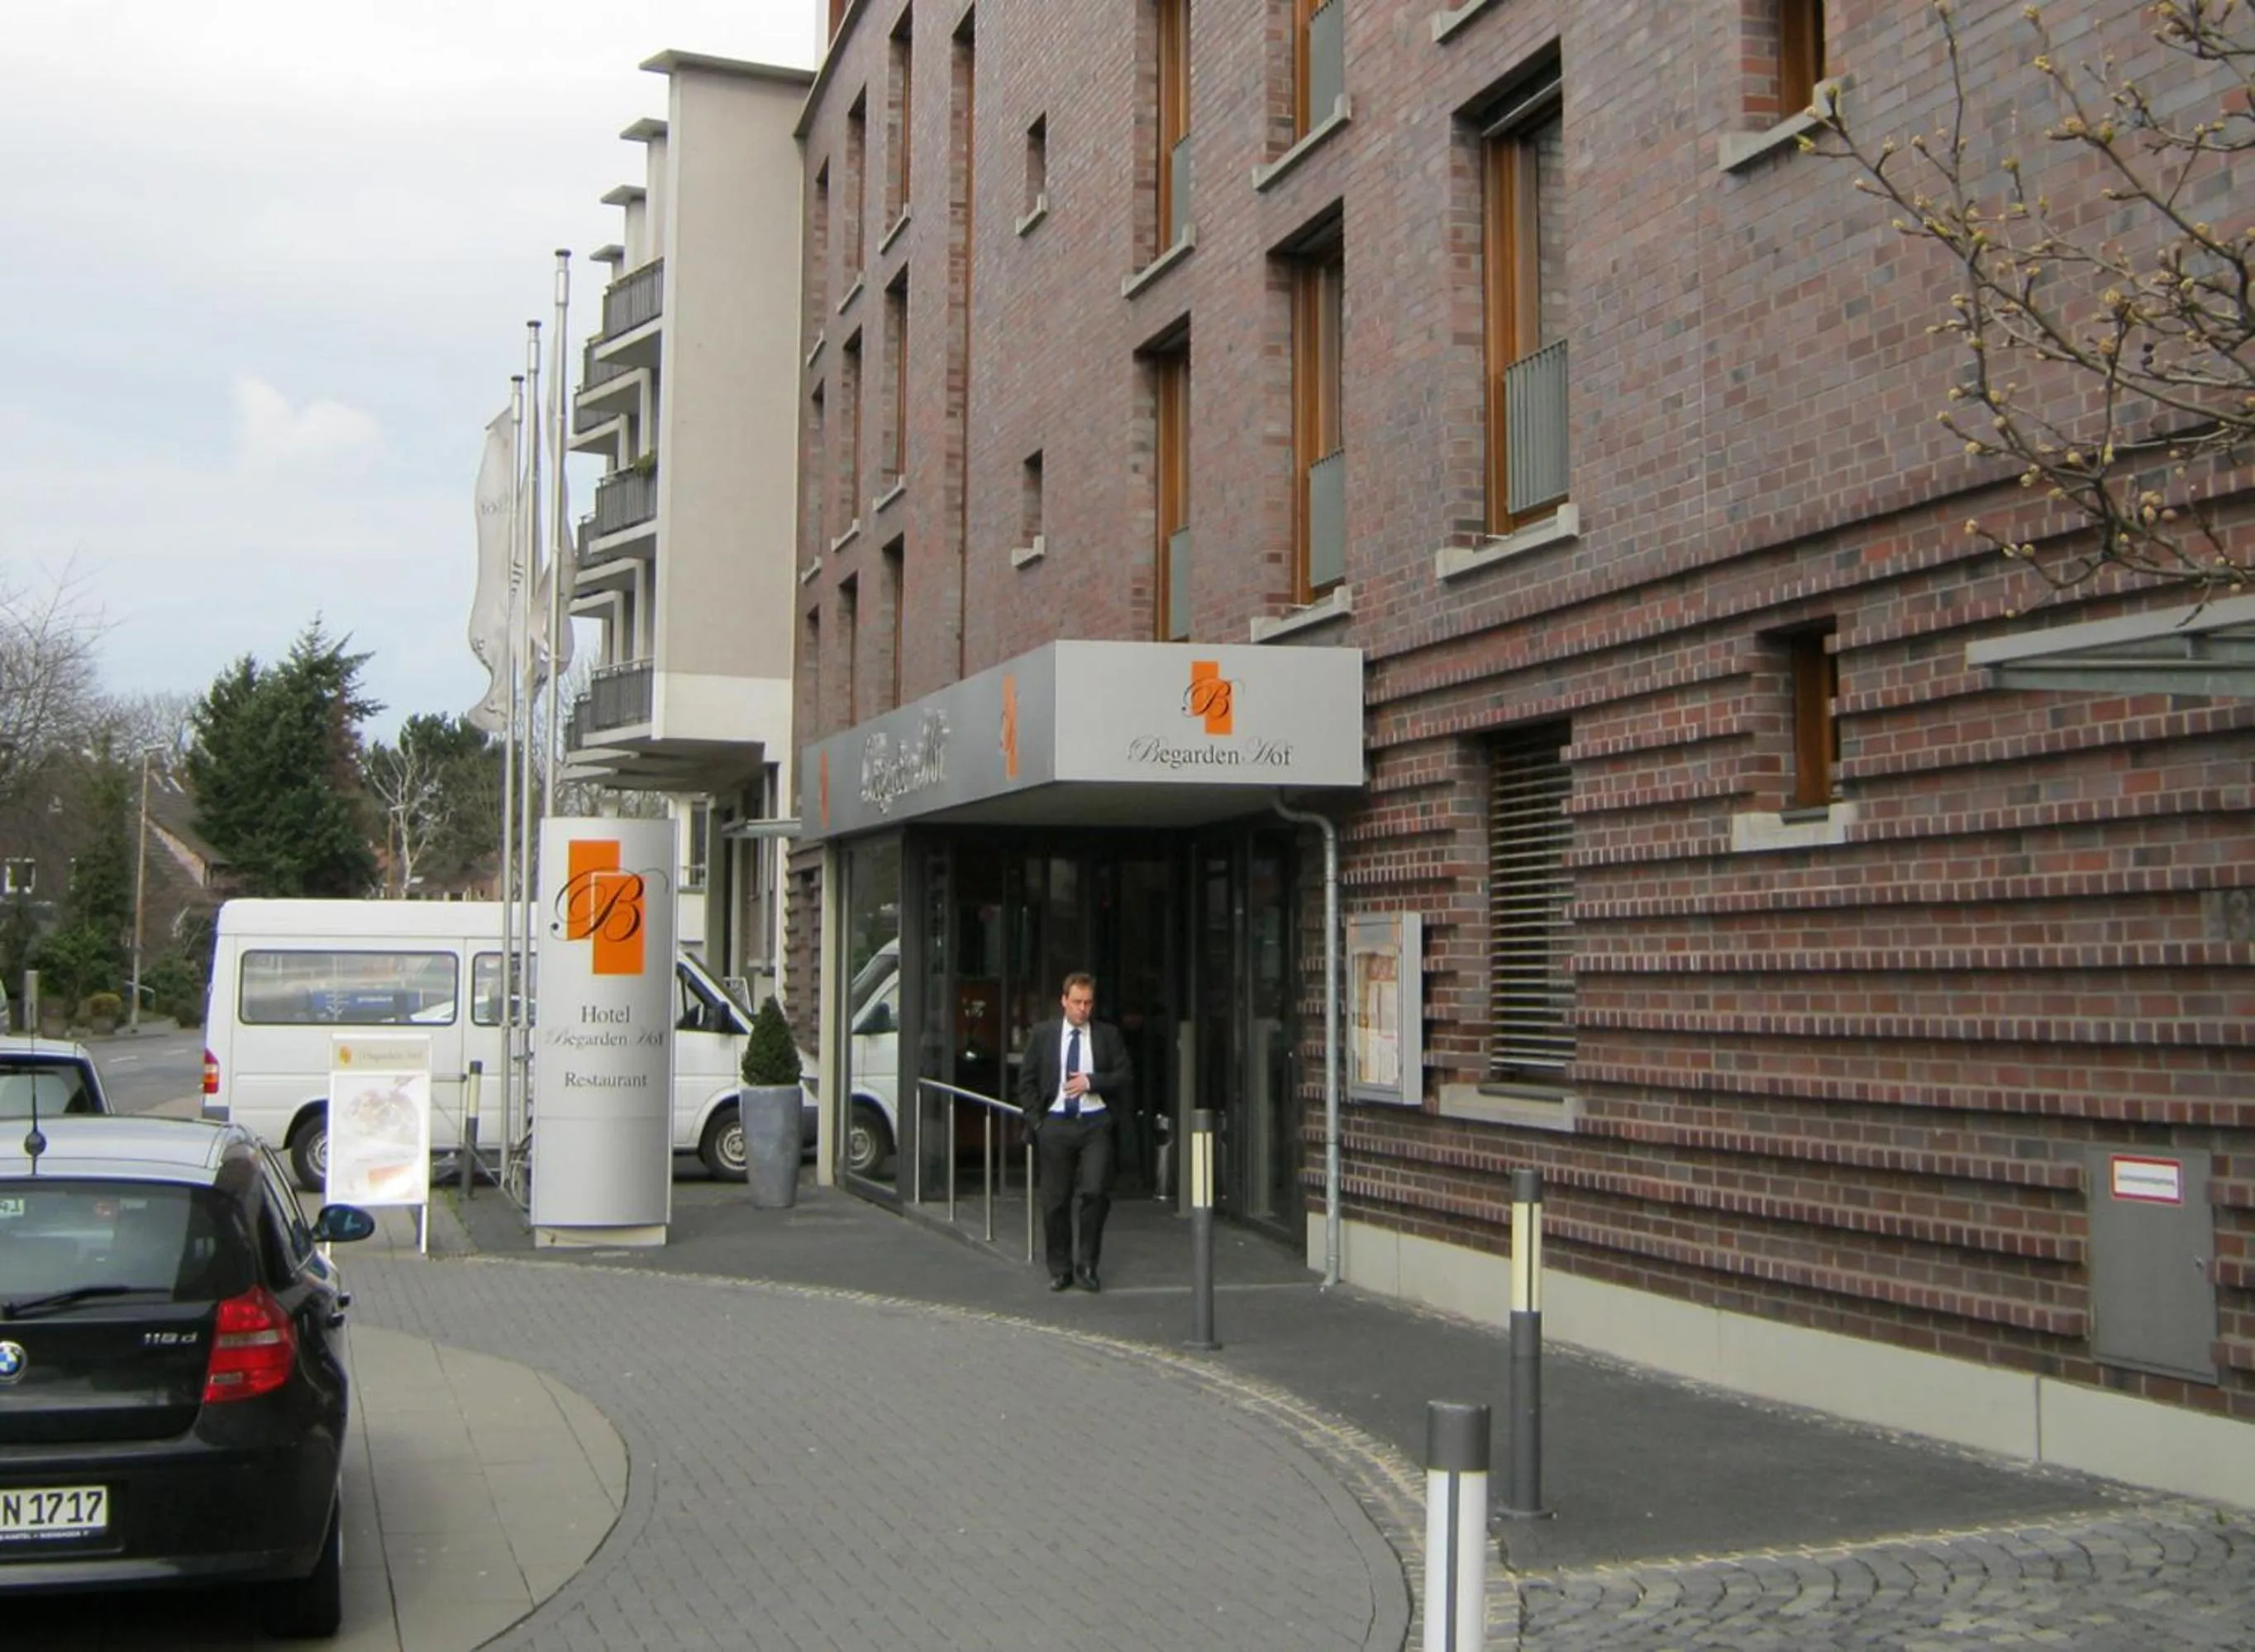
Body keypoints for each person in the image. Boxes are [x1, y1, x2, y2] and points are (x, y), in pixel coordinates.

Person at [1017, 971, 1132, 1293]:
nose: (1083, 1009)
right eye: (1078, 1002)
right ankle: (1060, 1268)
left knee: (1095, 1193)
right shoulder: (1044, 1035)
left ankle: (1088, 1264)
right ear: (1064, 1001)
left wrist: (1091, 1081)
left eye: (1089, 1003)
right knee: (1055, 1200)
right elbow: (1025, 1082)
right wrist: (1037, 1123)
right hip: (1054, 1123)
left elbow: (1123, 1074)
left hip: (1095, 1122)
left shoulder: (1107, 1036)